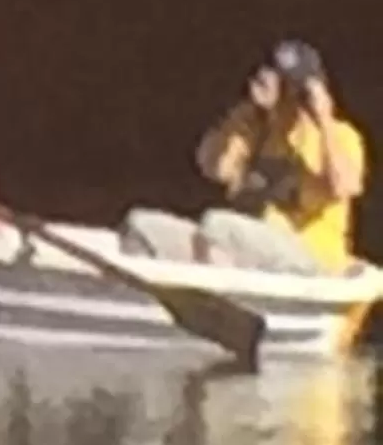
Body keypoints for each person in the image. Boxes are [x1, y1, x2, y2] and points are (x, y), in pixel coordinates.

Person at [121, 42, 365, 273]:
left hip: (310, 256)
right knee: (141, 224)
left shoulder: (340, 136)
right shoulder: (254, 130)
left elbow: (345, 186)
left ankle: (220, 298)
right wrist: (247, 112)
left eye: (291, 86)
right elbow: (216, 169)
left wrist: (324, 120)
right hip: (246, 247)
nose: (286, 94)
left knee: (218, 226)